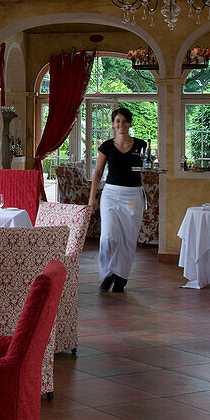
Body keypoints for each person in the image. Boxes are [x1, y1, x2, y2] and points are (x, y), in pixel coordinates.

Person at [89, 107, 147, 293]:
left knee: (128, 238)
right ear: (113, 124)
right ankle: (107, 274)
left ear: (130, 123)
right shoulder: (106, 146)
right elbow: (98, 172)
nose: (121, 124)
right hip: (111, 194)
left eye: (124, 121)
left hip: (133, 196)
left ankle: (121, 276)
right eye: (117, 121)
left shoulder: (141, 145)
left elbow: (149, 166)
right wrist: (92, 198)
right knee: (108, 237)